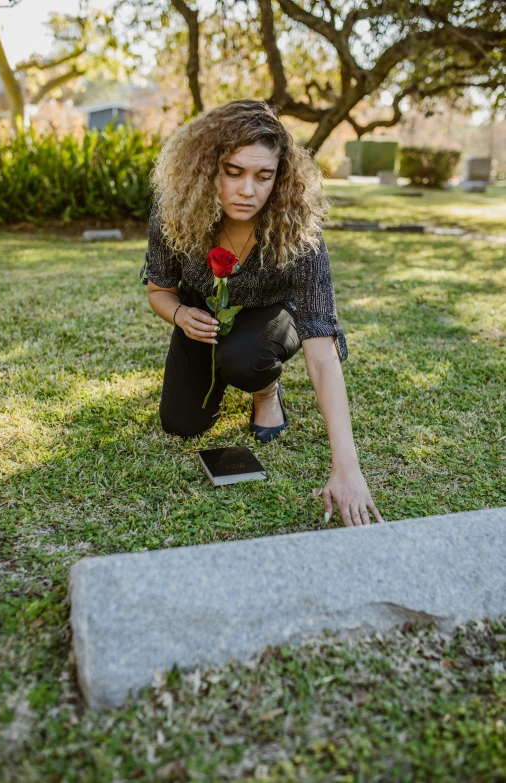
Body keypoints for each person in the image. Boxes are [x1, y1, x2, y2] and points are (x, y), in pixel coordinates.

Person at [140, 99, 384, 528]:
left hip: (275, 315)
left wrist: (347, 467)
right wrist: (180, 315)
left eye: (263, 176)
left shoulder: (298, 224)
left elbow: (321, 348)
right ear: (206, 167)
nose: (247, 190)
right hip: (204, 317)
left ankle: (266, 391)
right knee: (182, 423)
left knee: (245, 358)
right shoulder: (174, 210)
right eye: (232, 172)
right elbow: (160, 290)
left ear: (280, 177)